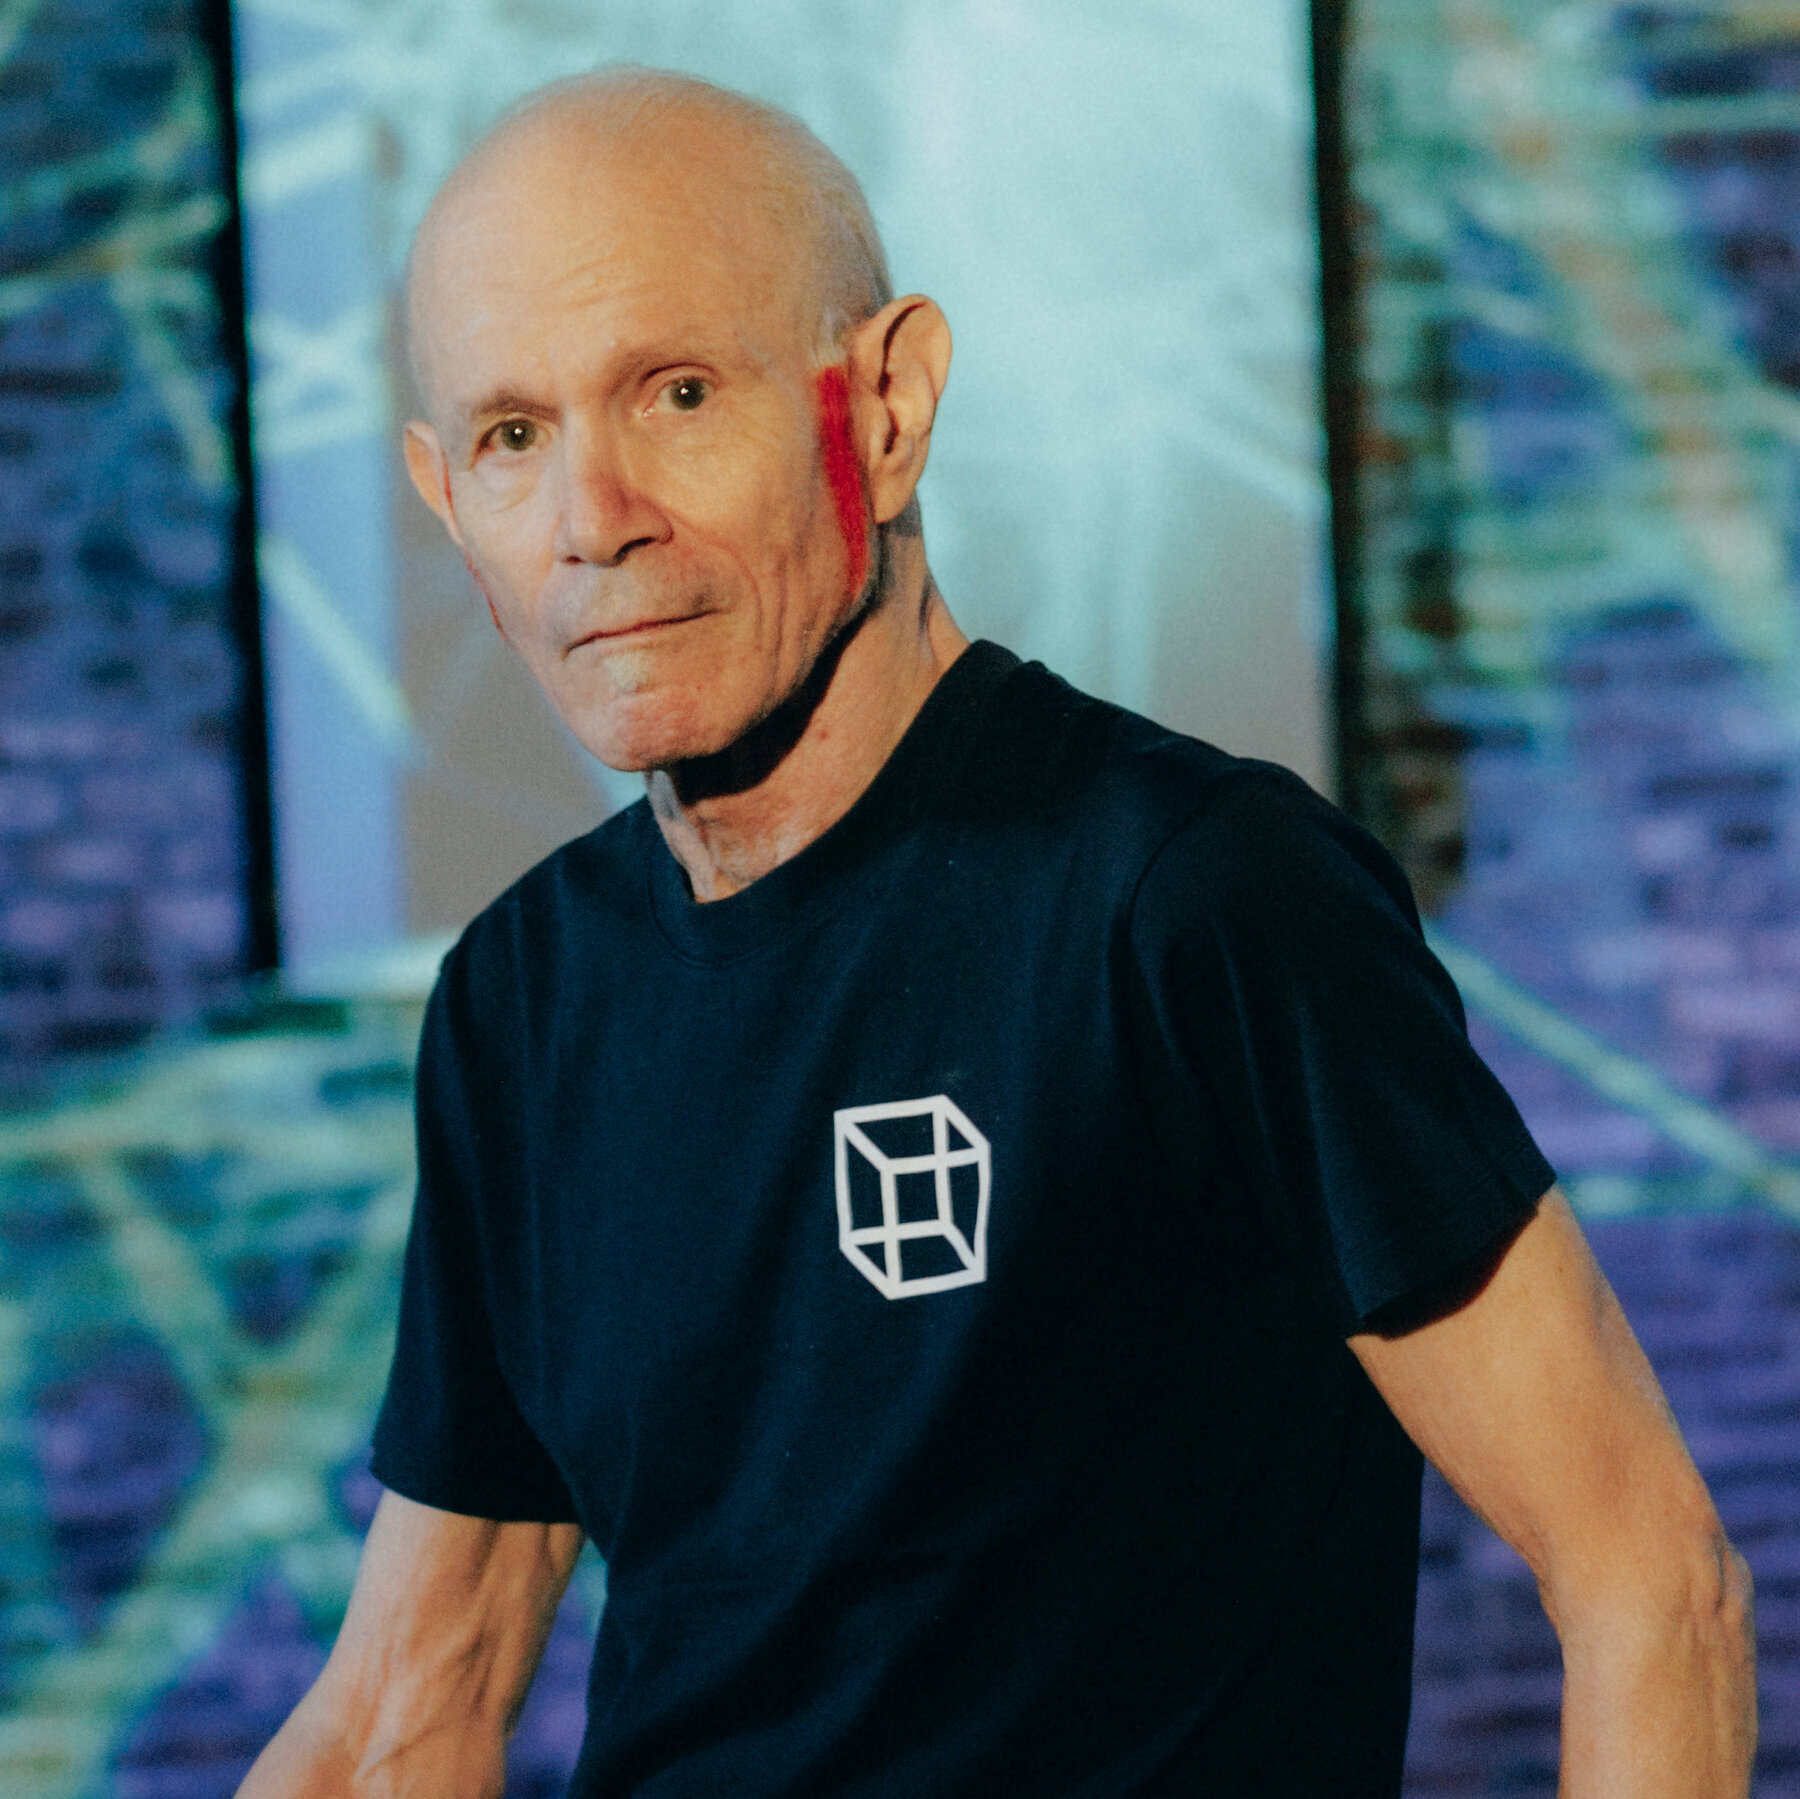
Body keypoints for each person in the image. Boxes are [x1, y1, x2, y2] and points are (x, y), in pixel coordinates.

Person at [238, 66, 1755, 1799]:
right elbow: (399, 1717)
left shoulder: (1193, 895)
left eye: (674, 394)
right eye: (514, 438)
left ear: (885, 407)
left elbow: (1648, 1576)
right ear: (446, 503)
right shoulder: (522, 1002)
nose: (594, 520)